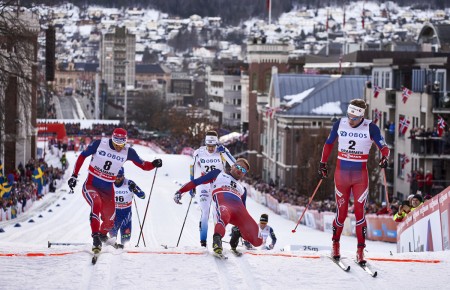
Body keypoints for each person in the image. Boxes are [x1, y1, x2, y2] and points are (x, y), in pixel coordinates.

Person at [318, 99, 390, 265]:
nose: (350, 121)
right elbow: (328, 144)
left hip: (360, 177)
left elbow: (384, 147)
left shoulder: (371, 127)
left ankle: (360, 250)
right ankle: (335, 244)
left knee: (359, 213)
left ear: (361, 117)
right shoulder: (340, 124)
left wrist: (385, 157)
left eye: (354, 119)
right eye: (349, 116)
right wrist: (322, 163)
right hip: (341, 175)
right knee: (341, 213)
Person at [67, 128, 162, 254]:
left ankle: (102, 235)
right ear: (112, 140)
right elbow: (83, 155)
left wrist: (154, 164)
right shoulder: (99, 144)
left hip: (108, 190)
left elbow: (143, 165)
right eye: (117, 144)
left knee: (110, 220)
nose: (119, 148)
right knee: (96, 203)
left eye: (121, 145)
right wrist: (74, 175)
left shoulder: (128, 151)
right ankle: (96, 238)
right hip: (91, 185)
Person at [174, 158, 263, 256]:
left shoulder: (243, 189)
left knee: (258, 241)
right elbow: (197, 182)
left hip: (238, 209)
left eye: (243, 170)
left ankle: (236, 233)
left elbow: (244, 210)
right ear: (232, 166)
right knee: (223, 216)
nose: (239, 170)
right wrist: (180, 191)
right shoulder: (218, 174)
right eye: (238, 167)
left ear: (244, 174)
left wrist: (243, 232)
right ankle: (217, 241)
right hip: (224, 204)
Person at [190, 130, 235, 247]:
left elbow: (235, 166)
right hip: (204, 185)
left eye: (213, 146)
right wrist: (192, 184)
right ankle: (203, 242)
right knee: (205, 211)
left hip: (218, 185)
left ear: (217, 144)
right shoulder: (198, 152)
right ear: (205, 144)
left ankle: (217, 241)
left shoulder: (222, 151)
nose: (210, 149)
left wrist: (225, 153)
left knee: (217, 213)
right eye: (208, 146)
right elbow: (192, 168)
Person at [109, 167, 145, 248]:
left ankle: (124, 257)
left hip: (126, 215)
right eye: (116, 176)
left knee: (125, 241)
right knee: (111, 240)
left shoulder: (129, 183)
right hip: (113, 214)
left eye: (120, 176)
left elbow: (143, 196)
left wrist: (135, 190)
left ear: (123, 176)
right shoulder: (109, 182)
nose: (117, 178)